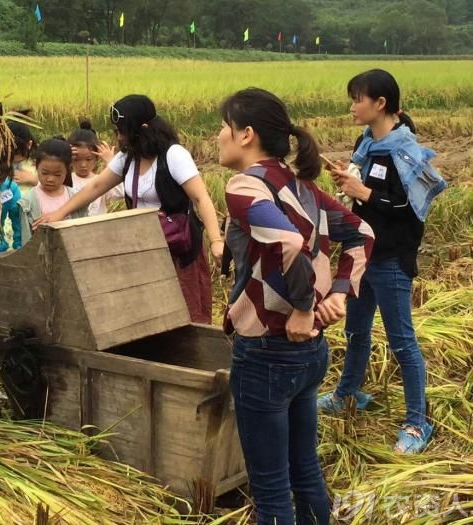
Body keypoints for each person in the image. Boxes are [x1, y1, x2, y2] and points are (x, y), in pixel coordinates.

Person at [220, 87, 374, 524]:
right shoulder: (302, 187)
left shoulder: (245, 185)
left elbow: (287, 242)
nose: (218, 136)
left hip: (267, 349)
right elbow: (363, 233)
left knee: (269, 488)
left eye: (224, 128)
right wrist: (339, 292)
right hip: (310, 355)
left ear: (246, 134)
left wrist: (307, 306)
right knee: (304, 470)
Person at [317, 69, 446, 454]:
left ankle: (417, 422)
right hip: (362, 256)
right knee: (356, 333)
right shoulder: (366, 144)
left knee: (402, 343)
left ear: (380, 104)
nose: (352, 106)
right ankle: (347, 394)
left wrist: (365, 193)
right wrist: (349, 181)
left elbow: (411, 210)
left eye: (358, 98)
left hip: (390, 259)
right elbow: (367, 196)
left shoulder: (406, 152)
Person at [35, 95, 223, 324]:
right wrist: (60, 213)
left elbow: (200, 198)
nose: (118, 137)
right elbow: (96, 186)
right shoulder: (127, 157)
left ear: (142, 129)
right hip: (142, 245)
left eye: (122, 131)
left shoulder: (173, 155)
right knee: (146, 309)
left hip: (176, 247)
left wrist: (216, 241)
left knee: (184, 311)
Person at [18, 137, 88, 244]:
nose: (50, 179)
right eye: (45, 173)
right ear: (36, 166)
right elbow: (27, 242)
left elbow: (85, 233)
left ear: (68, 169)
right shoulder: (28, 203)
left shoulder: (76, 198)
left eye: (57, 174)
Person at [68, 120, 123, 216]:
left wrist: (111, 162)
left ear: (96, 157)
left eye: (88, 159)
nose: (83, 165)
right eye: (77, 160)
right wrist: (63, 159)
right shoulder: (66, 179)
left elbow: (121, 192)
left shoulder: (102, 180)